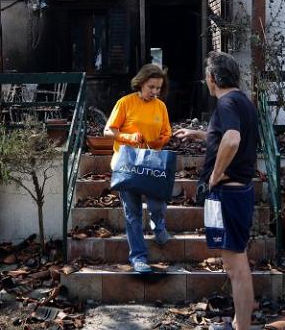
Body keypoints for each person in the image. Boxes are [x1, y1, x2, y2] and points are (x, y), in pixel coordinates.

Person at [174, 51, 258, 330]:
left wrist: (215, 175)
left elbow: (232, 140)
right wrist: (199, 134)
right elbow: (227, 135)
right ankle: (238, 320)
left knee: (236, 266)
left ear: (212, 78)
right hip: (238, 192)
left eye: (206, 76)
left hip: (228, 193)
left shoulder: (226, 104)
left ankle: (241, 326)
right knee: (236, 260)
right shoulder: (242, 101)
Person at [104, 64, 172, 273]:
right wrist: (128, 137)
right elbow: (109, 130)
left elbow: (166, 131)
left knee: (158, 202)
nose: (155, 92)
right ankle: (139, 258)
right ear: (141, 83)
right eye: (151, 87)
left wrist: (162, 139)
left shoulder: (160, 106)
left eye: (158, 88)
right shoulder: (125, 103)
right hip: (127, 164)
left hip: (152, 162)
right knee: (132, 213)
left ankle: (158, 224)